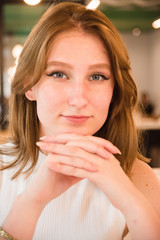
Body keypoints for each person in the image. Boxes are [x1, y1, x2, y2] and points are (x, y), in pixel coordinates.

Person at [0, 2, 160, 240]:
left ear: (114, 90)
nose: (78, 99)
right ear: (28, 85)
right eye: (58, 74)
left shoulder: (140, 178)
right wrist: (31, 202)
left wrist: (132, 203)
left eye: (97, 76)